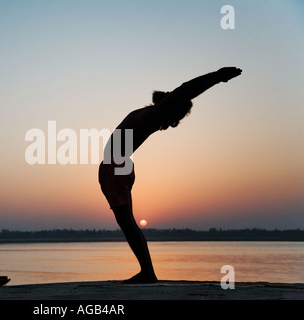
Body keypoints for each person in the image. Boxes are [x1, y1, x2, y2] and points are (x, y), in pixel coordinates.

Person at [99, 67, 242, 283]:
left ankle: (147, 272)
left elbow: (186, 90)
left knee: (127, 222)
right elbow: (177, 93)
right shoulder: (150, 114)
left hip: (116, 167)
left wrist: (218, 76)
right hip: (117, 167)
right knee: (126, 221)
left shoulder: (155, 116)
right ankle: (147, 272)